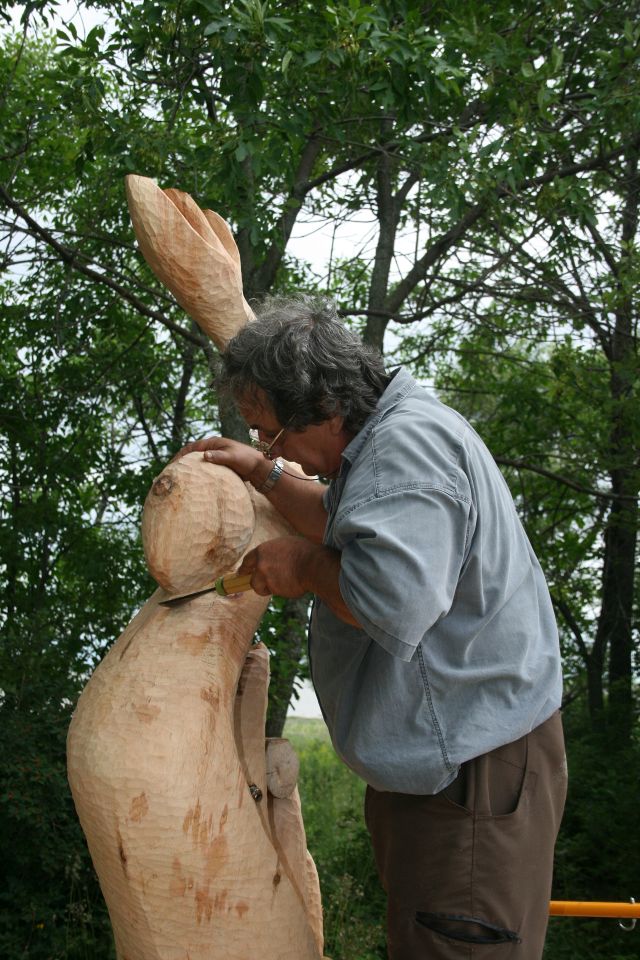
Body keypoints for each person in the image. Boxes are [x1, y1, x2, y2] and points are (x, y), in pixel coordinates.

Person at [177, 295, 567, 960]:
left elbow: (392, 603)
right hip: (460, 766)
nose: (270, 446)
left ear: (326, 411)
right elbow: (350, 521)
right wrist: (266, 475)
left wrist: (300, 566)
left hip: (470, 777)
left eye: (271, 433)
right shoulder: (390, 439)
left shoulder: (405, 453)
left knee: (455, 947)